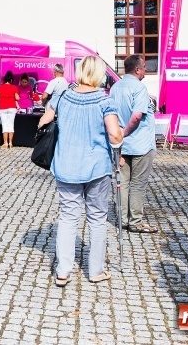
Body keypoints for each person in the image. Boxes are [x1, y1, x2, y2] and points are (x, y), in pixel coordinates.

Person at [37, 56, 123, 286]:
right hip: (96, 167)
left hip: (66, 165)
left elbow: (43, 121)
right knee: (97, 218)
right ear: (99, 74)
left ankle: (63, 271)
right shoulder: (105, 101)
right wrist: (121, 139)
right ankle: (95, 271)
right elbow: (115, 134)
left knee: (67, 217)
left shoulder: (63, 96)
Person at [109, 54, 158, 233]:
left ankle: (123, 220)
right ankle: (135, 221)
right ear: (137, 69)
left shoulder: (115, 87)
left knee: (123, 182)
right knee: (137, 184)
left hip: (121, 145)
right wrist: (125, 131)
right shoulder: (139, 88)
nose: (145, 69)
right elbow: (137, 115)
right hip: (140, 144)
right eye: (144, 66)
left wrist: (119, 135)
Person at [0, 70, 20, 148]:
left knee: (5, 125)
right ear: (11, 79)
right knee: (11, 125)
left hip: (2, 108)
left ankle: (5, 143)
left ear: (5, 79)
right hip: (12, 107)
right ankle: (10, 143)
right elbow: (17, 98)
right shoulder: (14, 87)